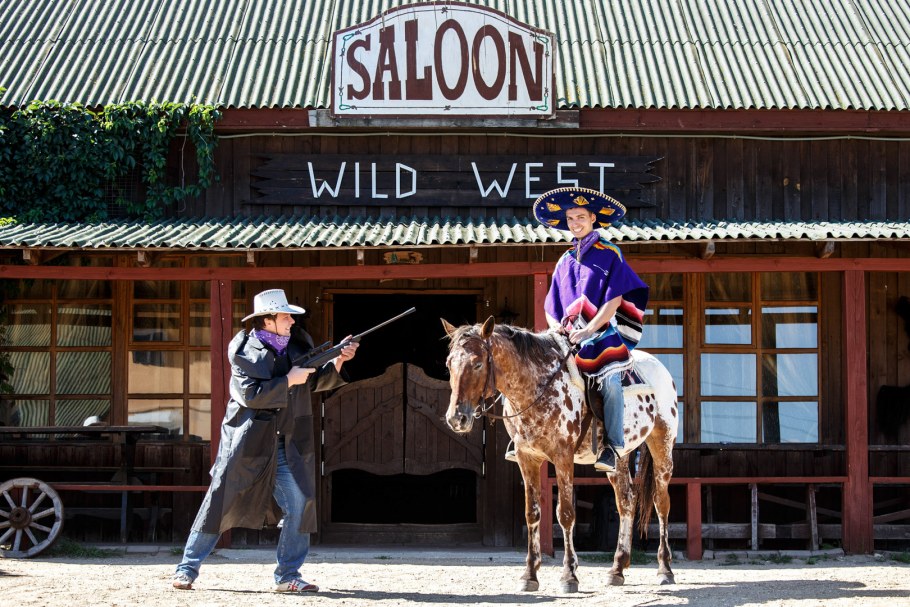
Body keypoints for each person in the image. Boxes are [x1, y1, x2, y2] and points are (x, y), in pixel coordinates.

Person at [171, 288, 358, 592]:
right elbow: (251, 395)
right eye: (285, 316)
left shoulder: (297, 346)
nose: (291, 321)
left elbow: (313, 382)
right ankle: (187, 569)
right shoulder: (244, 349)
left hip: (288, 444)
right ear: (267, 320)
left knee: (300, 506)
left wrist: (338, 359)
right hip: (247, 442)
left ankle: (288, 577)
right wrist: (287, 380)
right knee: (218, 502)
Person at [516, 187, 649, 472]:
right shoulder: (564, 260)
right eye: (570, 218)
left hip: (600, 335)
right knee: (530, 372)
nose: (575, 223)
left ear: (593, 218)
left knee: (611, 384)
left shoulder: (610, 253)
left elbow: (614, 300)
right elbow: (552, 307)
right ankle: (523, 438)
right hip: (566, 338)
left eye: (580, 217)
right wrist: (557, 332)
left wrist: (588, 330)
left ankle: (613, 446)